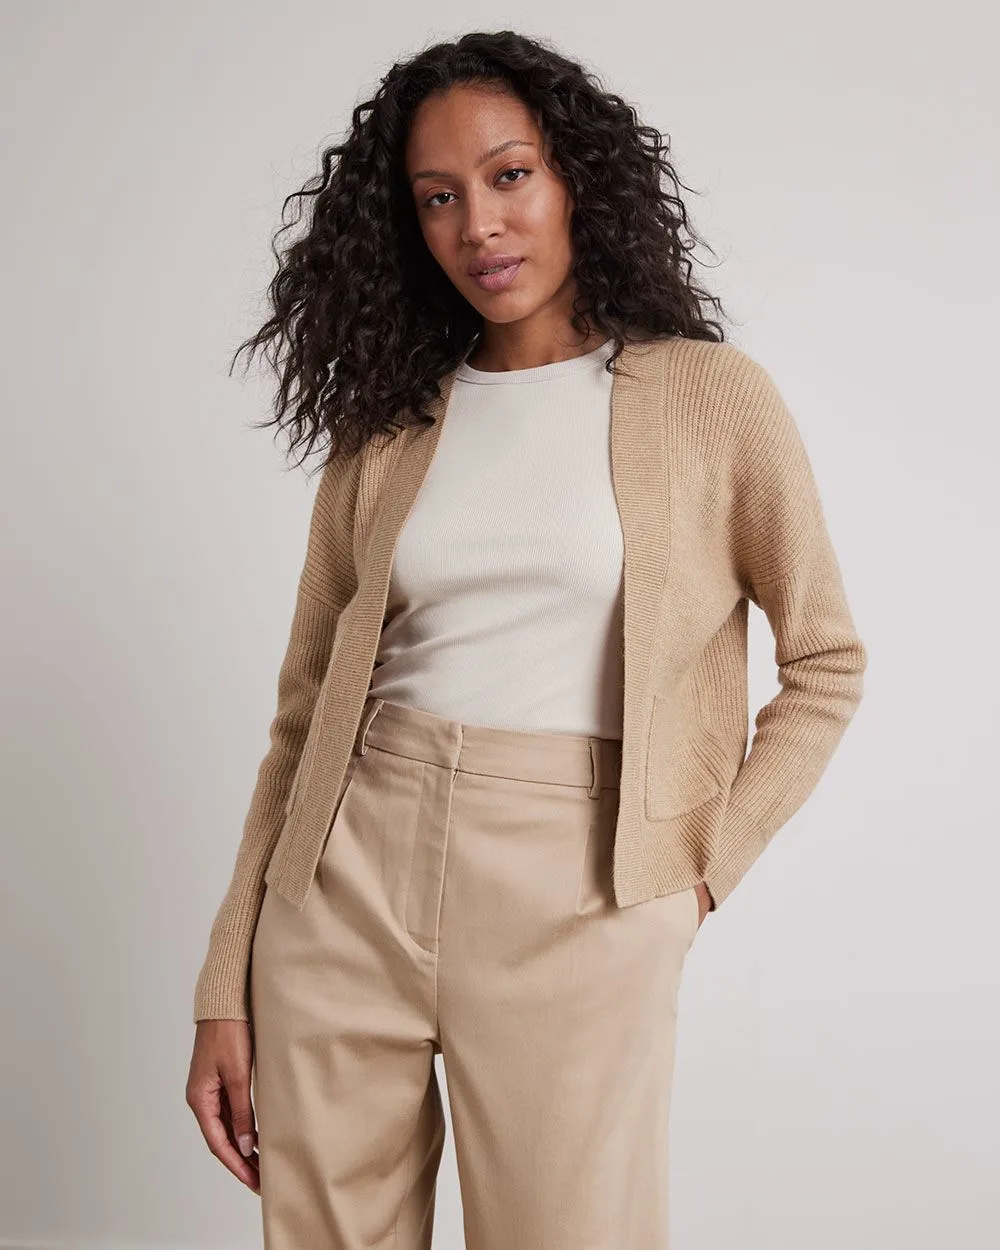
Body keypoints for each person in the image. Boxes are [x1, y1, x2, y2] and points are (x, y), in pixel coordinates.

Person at [185, 28, 867, 1249]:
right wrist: (224, 975)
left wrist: (695, 875)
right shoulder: (391, 424)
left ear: (575, 179)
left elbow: (825, 662)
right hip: (343, 874)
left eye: (508, 176)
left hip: (580, 884)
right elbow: (303, 711)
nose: (479, 226)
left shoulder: (708, 397)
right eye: (436, 197)